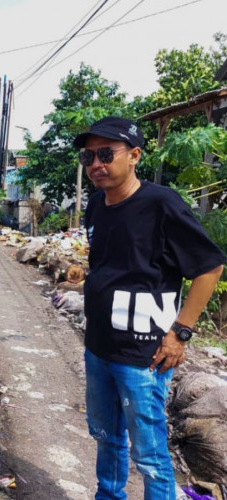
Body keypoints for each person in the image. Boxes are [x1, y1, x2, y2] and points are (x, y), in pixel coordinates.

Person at [74, 116, 225, 499]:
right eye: (88, 156)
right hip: (99, 348)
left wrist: (181, 332)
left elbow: (209, 266)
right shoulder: (95, 205)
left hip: (144, 355)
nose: (96, 164)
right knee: (106, 437)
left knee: (150, 454)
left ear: (135, 155)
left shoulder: (161, 204)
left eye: (106, 153)